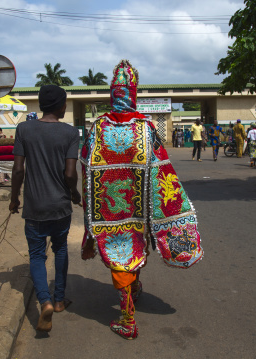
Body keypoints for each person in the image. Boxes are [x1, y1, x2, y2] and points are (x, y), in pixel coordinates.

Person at [80, 60, 203, 340]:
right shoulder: (146, 129)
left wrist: (89, 221)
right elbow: (162, 170)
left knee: (118, 256)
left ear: (113, 94)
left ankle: (127, 319)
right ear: (133, 94)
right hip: (138, 210)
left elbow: (85, 171)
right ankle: (134, 292)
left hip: (108, 211)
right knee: (134, 248)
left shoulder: (97, 128)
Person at [10, 85, 81, 332]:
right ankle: (59, 300)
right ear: (61, 106)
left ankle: (45, 301)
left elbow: (18, 170)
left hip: (35, 207)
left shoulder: (24, 129)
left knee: (37, 255)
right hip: (60, 207)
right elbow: (70, 174)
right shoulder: (71, 133)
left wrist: (13, 199)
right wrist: (74, 194)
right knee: (61, 249)